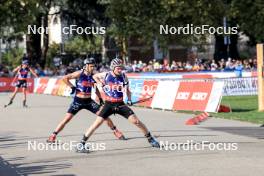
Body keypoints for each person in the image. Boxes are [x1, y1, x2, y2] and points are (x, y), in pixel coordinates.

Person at [76, 58, 160, 153]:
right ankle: (81, 144)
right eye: (118, 68)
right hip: (108, 104)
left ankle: (150, 139)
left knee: (136, 121)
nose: (120, 70)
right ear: (113, 68)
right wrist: (100, 83)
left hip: (120, 104)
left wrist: (129, 99)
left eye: (121, 68)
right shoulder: (106, 75)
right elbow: (94, 76)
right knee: (96, 124)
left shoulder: (124, 76)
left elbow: (128, 90)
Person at [47, 58, 125, 143]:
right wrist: (72, 87)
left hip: (89, 101)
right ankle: (53, 135)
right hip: (78, 101)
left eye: (93, 66)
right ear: (86, 65)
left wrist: (100, 99)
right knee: (67, 119)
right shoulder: (79, 73)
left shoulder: (92, 76)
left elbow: (95, 89)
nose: (93, 68)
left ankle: (115, 131)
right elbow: (65, 78)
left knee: (104, 115)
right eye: (91, 66)